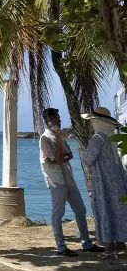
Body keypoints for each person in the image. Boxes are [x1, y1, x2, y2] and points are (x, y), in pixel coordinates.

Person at [40, 107, 104, 256]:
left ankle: (86, 243)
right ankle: (61, 246)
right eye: (57, 117)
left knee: (81, 210)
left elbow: (69, 155)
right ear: (50, 119)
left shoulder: (59, 137)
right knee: (58, 213)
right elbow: (57, 159)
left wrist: (62, 154)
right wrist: (61, 155)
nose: (60, 120)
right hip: (56, 180)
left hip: (68, 177)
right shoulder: (45, 138)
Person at [81, 107, 127, 258]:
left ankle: (108, 248)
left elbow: (88, 159)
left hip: (104, 181)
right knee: (117, 209)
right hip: (118, 178)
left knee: (105, 209)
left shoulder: (98, 137)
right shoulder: (112, 136)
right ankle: (120, 243)